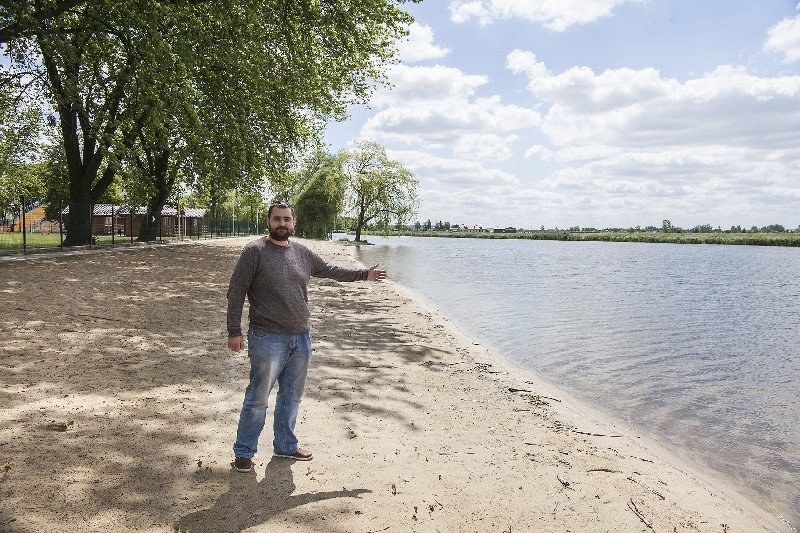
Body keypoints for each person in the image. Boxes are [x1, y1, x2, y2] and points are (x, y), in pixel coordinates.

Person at [226, 202, 386, 473]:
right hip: (267, 337)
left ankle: (286, 445)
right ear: (268, 221)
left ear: (294, 223)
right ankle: (244, 453)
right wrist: (234, 331)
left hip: (301, 338)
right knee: (258, 397)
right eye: (277, 219)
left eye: (287, 220)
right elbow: (236, 292)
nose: (282, 224)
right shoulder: (255, 251)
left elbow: (330, 270)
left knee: (291, 396)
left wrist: (363, 275)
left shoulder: (301, 253)